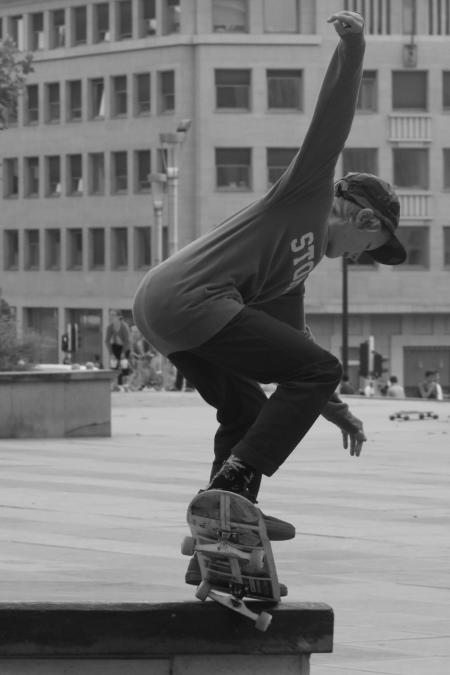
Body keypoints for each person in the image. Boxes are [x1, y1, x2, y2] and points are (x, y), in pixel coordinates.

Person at [133, 10, 407, 546]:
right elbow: (330, 124)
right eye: (366, 249)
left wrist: (339, 413)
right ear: (361, 218)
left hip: (167, 314)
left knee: (247, 406)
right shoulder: (306, 195)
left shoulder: (296, 269)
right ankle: (234, 485)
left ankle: (219, 526)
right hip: (190, 301)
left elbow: (296, 357)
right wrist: (353, 50)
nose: (355, 259)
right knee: (316, 370)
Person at [105, 310, 131, 390]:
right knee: (113, 364)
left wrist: (123, 353)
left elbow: (127, 341)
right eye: (111, 315)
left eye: (113, 315)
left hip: (125, 347)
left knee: (124, 364)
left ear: (119, 317)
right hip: (115, 347)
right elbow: (107, 340)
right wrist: (111, 353)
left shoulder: (124, 326)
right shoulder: (110, 327)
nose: (111, 317)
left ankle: (125, 385)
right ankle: (114, 385)